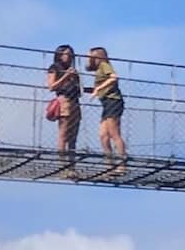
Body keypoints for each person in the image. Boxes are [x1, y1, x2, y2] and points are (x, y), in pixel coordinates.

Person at [87, 47, 126, 176]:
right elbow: (97, 84)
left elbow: (114, 78)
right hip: (106, 103)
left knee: (114, 134)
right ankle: (109, 165)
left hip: (113, 101)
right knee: (103, 136)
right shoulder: (98, 69)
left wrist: (98, 89)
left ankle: (122, 164)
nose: (90, 60)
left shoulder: (104, 65)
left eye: (92, 57)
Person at [46, 45, 82, 180]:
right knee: (63, 135)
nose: (69, 56)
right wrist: (66, 76)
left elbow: (80, 91)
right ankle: (63, 166)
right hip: (64, 102)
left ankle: (72, 168)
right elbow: (51, 86)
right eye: (67, 54)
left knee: (73, 139)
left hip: (75, 103)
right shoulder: (54, 68)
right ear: (60, 55)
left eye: (71, 54)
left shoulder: (73, 71)